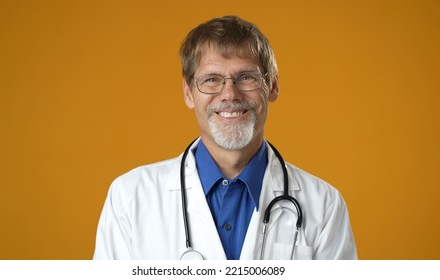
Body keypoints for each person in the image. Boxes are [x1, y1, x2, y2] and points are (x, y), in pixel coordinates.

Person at [93, 15, 357, 260]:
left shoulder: (324, 206)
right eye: (211, 79)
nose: (230, 94)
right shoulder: (129, 198)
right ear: (188, 92)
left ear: (273, 86)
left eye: (246, 77)